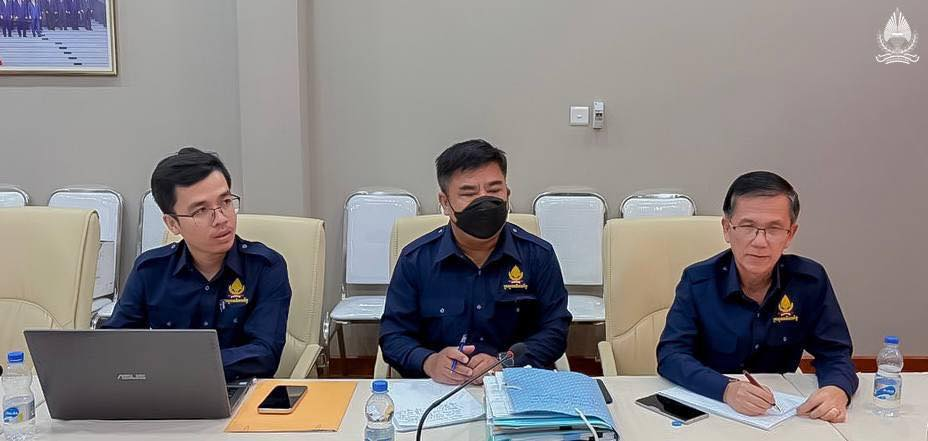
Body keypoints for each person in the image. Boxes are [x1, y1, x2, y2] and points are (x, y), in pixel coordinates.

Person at [657, 171, 858, 423]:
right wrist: (726, 389)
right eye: (747, 227)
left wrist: (837, 389)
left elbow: (835, 353)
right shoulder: (698, 281)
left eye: (774, 229)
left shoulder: (809, 281)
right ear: (727, 229)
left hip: (780, 414)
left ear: (790, 234)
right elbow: (671, 356)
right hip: (712, 410)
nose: (760, 241)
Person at [379, 139, 572, 384]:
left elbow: (555, 331)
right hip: (437, 389)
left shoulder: (538, 255)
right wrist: (430, 362)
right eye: (469, 193)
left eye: (494, 190)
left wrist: (505, 363)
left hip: (515, 384)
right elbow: (393, 336)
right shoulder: (415, 260)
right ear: (445, 203)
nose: (484, 201)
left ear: (507, 194)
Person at [104, 147, 293, 381]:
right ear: (172, 224)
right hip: (166, 393)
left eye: (226, 202)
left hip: (241, 391)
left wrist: (176, 365)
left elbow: (264, 355)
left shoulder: (265, 267)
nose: (221, 219)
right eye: (201, 210)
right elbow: (114, 346)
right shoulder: (150, 271)